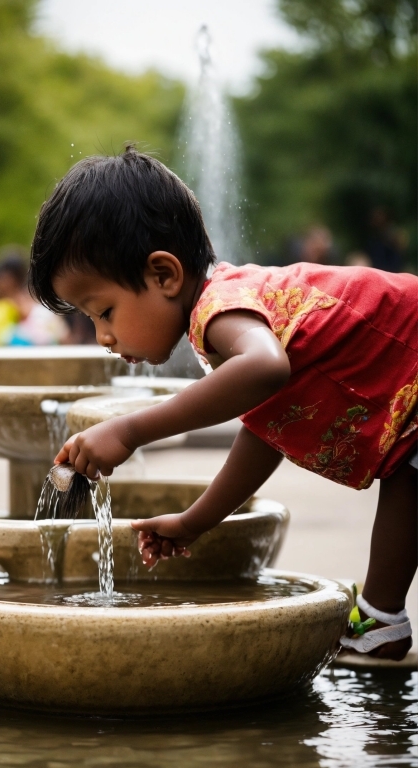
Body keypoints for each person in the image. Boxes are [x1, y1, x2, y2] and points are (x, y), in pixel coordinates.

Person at [28, 147, 417, 663]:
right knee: (408, 469)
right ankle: (379, 619)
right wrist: (195, 520)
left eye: (104, 311)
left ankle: (379, 617)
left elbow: (265, 368)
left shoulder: (219, 307)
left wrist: (128, 432)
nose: (102, 336)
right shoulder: (231, 306)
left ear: (163, 275)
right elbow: (268, 426)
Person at [0, 249, 69, 346]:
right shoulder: (2, 307)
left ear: (11, 278)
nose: (0, 282)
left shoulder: (32, 305)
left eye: (3, 277)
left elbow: (63, 336)